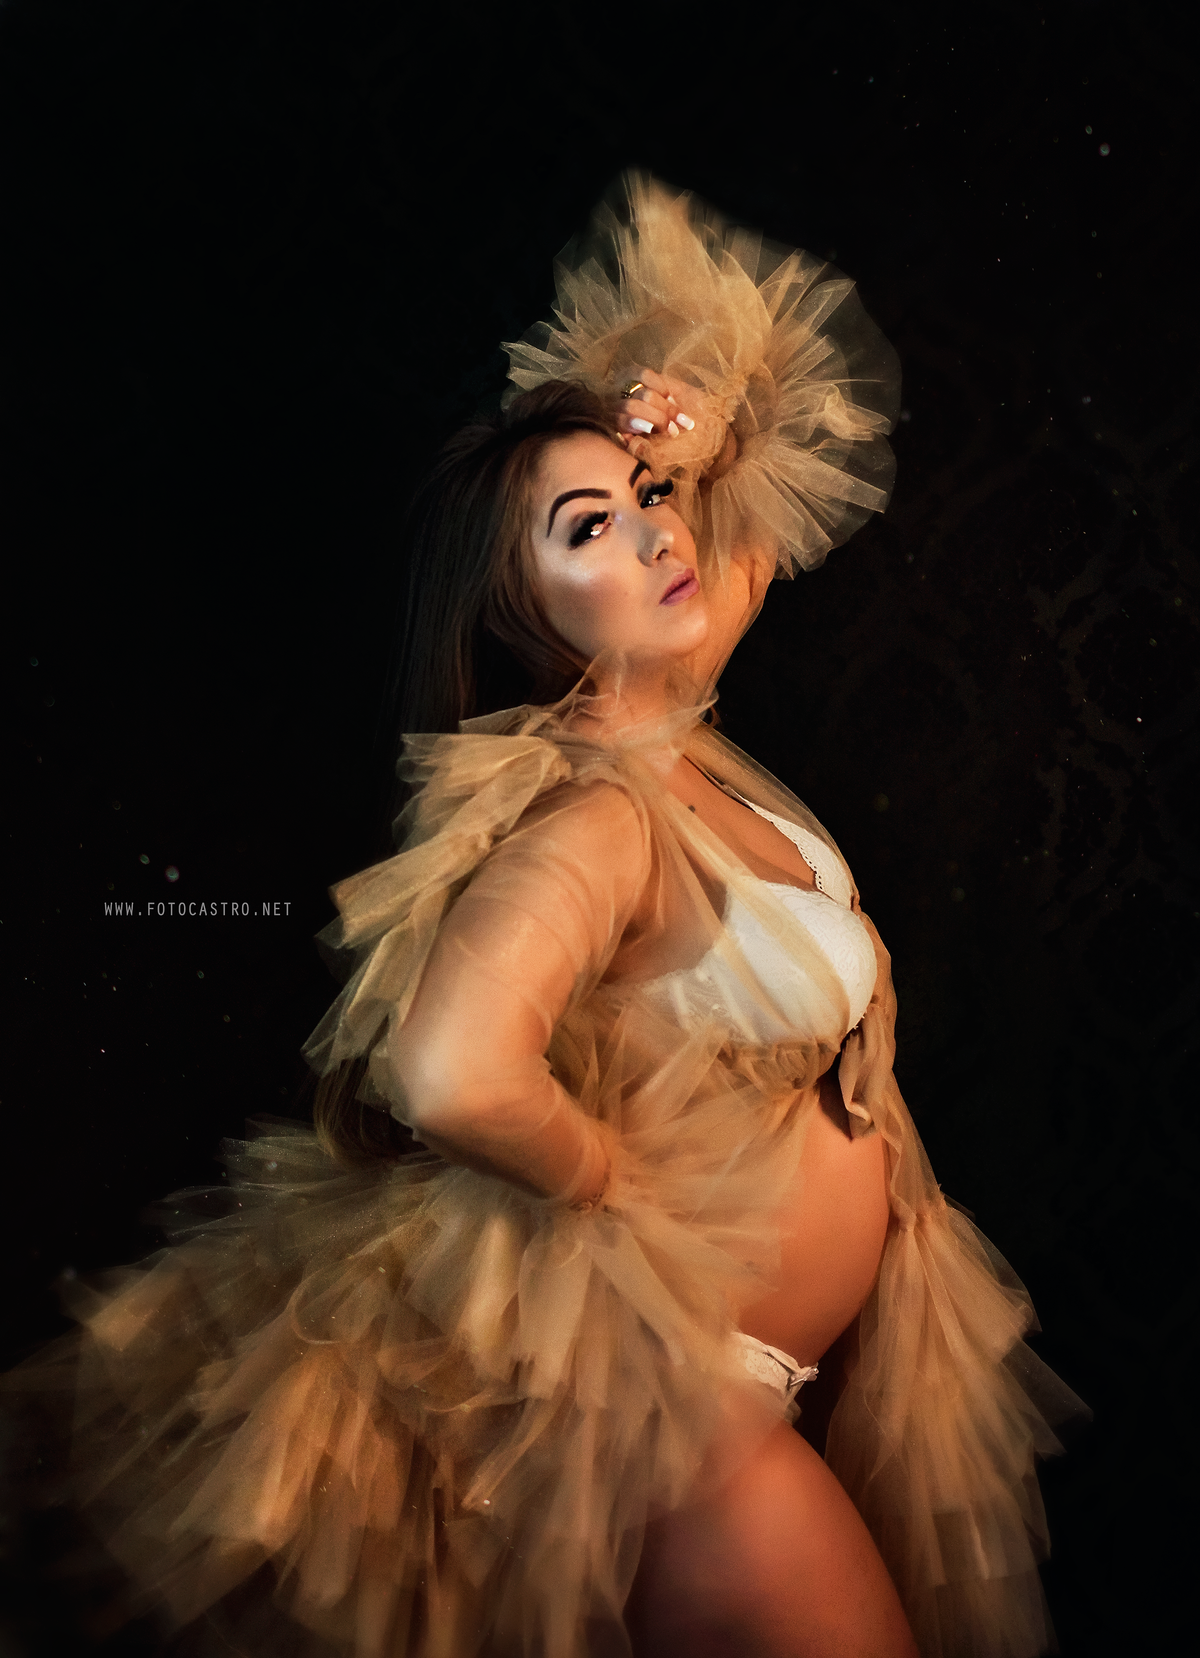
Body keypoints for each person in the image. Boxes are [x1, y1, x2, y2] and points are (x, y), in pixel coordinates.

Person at [7, 175, 1083, 1658]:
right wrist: (603, 1187)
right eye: (590, 528)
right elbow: (450, 1072)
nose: (655, 537)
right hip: (678, 1422)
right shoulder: (592, 814)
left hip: (751, 1398)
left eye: (651, 501)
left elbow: (777, 446)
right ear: (524, 609)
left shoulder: (682, 721)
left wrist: (681, 431)